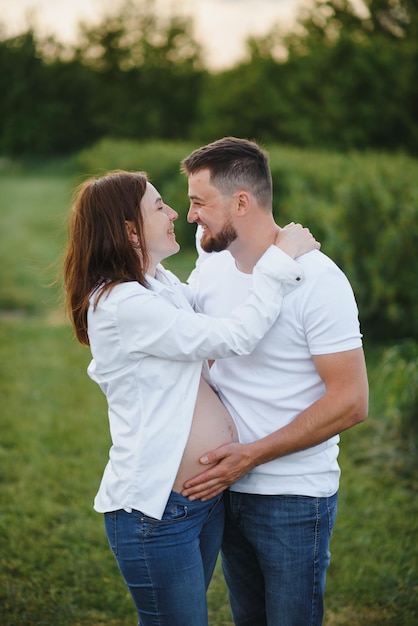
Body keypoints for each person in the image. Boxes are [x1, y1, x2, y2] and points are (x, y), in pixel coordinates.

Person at [62, 169, 319, 626]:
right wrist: (280, 260)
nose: (174, 212)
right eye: (159, 206)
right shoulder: (125, 304)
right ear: (128, 229)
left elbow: (208, 305)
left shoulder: (157, 284)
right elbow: (233, 336)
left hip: (200, 502)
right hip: (158, 514)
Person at [180, 137, 369, 626]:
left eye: (199, 202)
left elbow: (351, 402)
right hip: (225, 493)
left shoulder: (319, 280)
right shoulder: (211, 265)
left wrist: (252, 455)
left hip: (293, 497)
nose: (190, 216)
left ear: (241, 202)